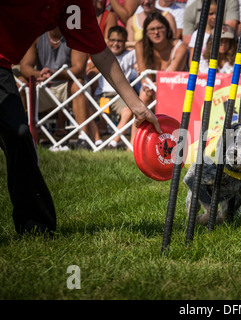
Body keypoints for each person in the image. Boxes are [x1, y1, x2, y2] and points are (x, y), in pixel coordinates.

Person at [0, 1, 161, 235]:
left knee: (19, 133)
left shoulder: (75, 5)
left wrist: (138, 106)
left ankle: (35, 227)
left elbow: (100, 53)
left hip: (2, 65)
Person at [20, 27, 103, 149]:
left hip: (67, 87)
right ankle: (20, 133)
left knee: (78, 84)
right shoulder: (37, 36)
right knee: (20, 83)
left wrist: (53, 74)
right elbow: (25, 67)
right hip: (43, 86)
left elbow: (79, 70)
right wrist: (40, 74)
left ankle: (83, 139)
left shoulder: (75, 36)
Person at [133, 11, 188, 148]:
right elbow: (144, 77)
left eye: (160, 28)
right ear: (145, 32)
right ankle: (134, 144)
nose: (156, 32)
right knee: (143, 96)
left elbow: (170, 77)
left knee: (144, 95)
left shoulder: (180, 47)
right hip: (151, 88)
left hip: (174, 89)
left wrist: (152, 86)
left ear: (167, 29)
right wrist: (149, 87)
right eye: (152, 29)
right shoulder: (140, 46)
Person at [93, 26, 137, 149]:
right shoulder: (101, 54)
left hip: (120, 96)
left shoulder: (130, 55)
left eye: (120, 41)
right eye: (112, 40)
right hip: (100, 95)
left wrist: (129, 44)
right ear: (107, 40)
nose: (115, 44)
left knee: (129, 111)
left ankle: (113, 143)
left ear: (125, 42)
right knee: (85, 109)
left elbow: (141, 44)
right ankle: (97, 142)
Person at [188, 0, 217, 65]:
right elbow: (191, 61)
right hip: (200, 72)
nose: (214, 17)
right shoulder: (197, 35)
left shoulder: (222, 34)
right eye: (211, 13)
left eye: (217, 14)